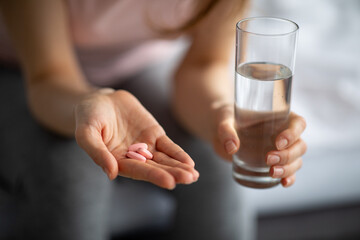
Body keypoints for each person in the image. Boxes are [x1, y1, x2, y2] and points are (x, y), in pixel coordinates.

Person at [0, 0, 307, 239]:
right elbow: (48, 76)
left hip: (138, 62)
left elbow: (203, 65)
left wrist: (220, 117)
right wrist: (88, 103)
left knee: (213, 165)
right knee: (75, 173)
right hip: (24, 69)